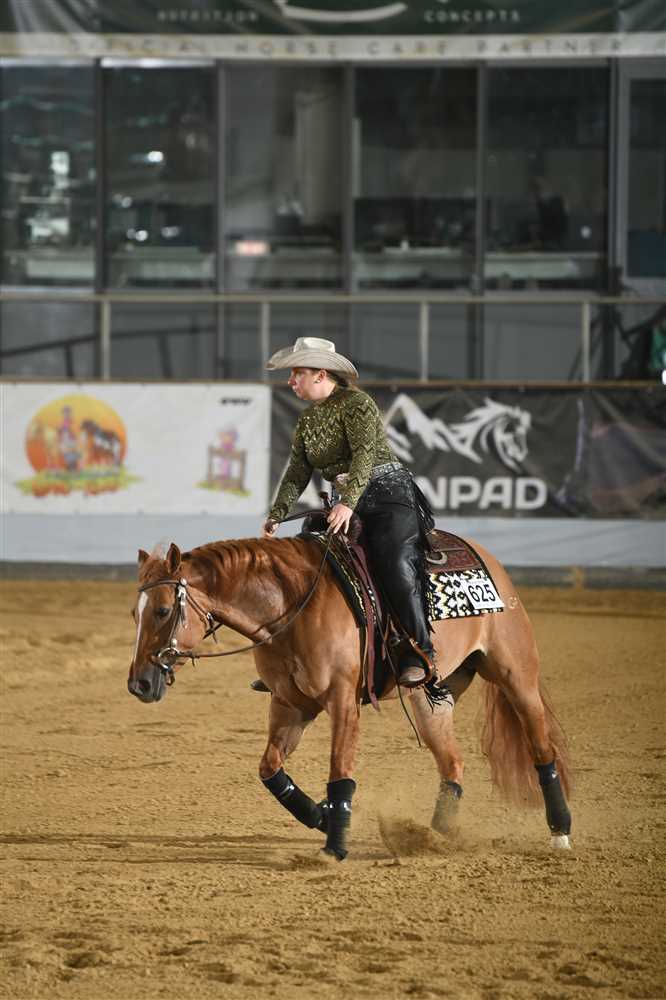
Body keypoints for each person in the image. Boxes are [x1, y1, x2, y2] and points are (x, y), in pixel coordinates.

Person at [261, 336, 436, 689]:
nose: (291, 381)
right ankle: (298, 654)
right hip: (348, 503)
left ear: (321, 374)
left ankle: (420, 652)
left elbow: (364, 455)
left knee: (396, 562)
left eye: (297, 373)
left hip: (389, 497)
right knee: (305, 564)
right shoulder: (307, 420)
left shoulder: (358, 403)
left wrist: (347, 502)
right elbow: (297, 472)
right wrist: (277, 513)